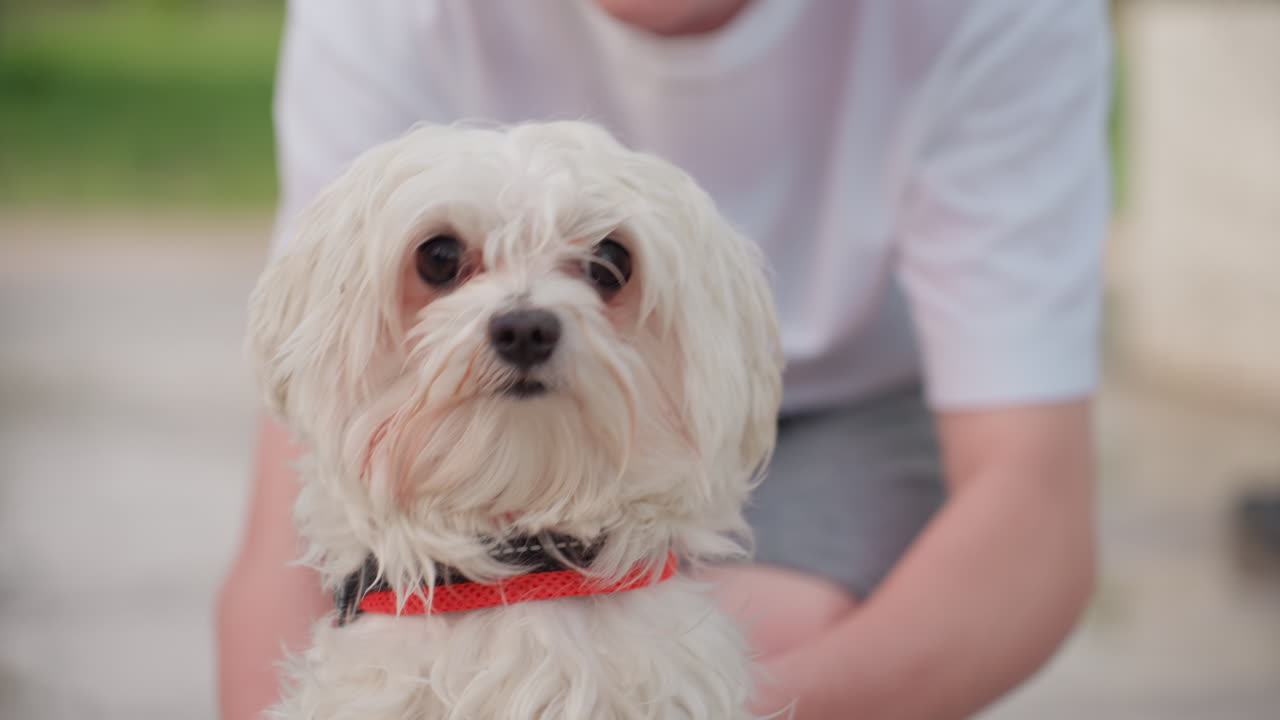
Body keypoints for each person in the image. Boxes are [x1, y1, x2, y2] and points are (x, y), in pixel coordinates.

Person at [217, 0, 1110, 717]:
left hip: (864, 401)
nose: (526, 316)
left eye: (602, 268)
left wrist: (692, 702)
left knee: (777, 632)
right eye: (446, 263)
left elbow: (1031, 506)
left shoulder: (1000, 17)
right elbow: (298, 470)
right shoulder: (384, 16)